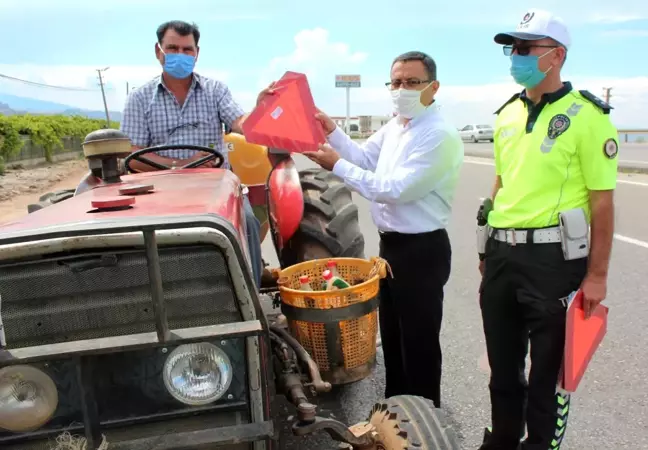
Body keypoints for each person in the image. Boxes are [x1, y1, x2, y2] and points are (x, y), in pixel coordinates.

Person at [478, 9, 618, 450]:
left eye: (525, 48)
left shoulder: (589, 117)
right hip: (502, 256)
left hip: (553, 261)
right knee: (502, 367)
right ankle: (503, 439)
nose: (515, 57)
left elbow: (602, 202)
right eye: (512, 48)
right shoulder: (506, 115)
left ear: (555, 56)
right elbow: (500, 187)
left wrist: (596, 276)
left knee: (547, 373)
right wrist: (486, 249)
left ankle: (538, 444)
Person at [302, 51, 464, 408]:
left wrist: (337, 166)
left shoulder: (438, 135)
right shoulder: (397, 126)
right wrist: (333, 133)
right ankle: (395, 414)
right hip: (391, 249)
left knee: (418, 344)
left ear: (433, 87)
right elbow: (363, 158)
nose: (401, 89)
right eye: (395, 82)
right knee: (392, 338)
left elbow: (393, 189)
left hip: (421, 250)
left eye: (411, 82)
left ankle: (423, 421)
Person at [120, 20, 270, 288]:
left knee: (247, 222)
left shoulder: (215, 91)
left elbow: (240, 122)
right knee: (129, 237)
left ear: (197, 53)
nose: (181, 54)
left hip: (214, 184)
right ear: (158, 51)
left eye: (187, 49)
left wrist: (259, 112)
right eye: (173, 48)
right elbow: (133, 155)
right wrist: (178, 165)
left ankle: (253, 297)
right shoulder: (139, 99)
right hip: (159, 188)